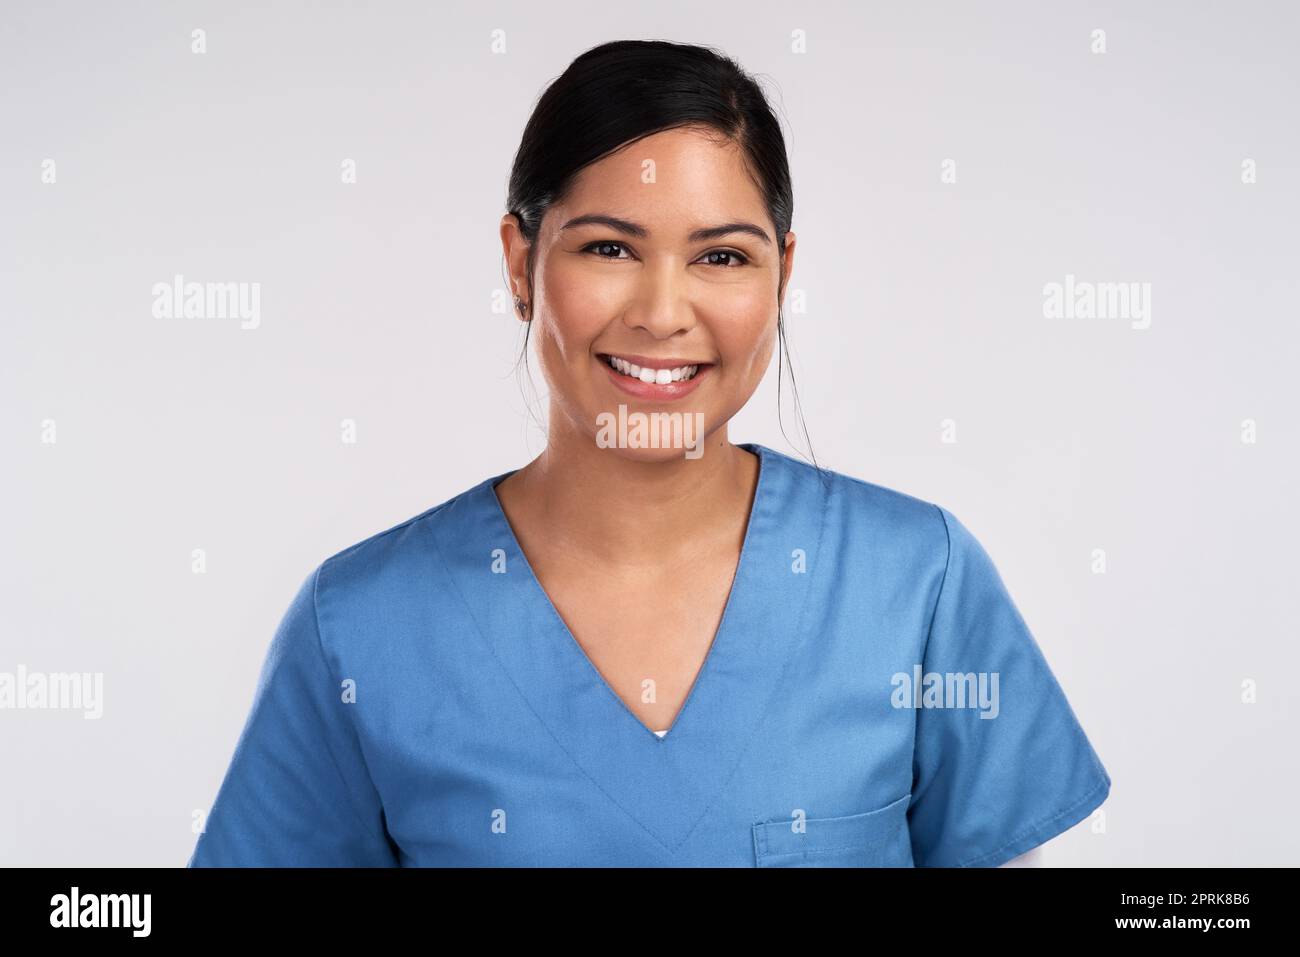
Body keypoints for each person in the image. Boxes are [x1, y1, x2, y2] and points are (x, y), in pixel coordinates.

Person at [188, 39, 1109, 867]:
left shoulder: (916, 583)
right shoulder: (363, 626)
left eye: (721, 258)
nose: (664, 313)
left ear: (784, 274)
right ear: (520, 265)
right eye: (609, 247)